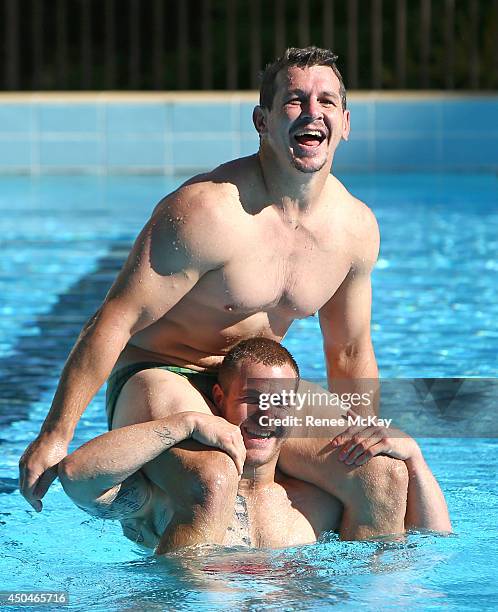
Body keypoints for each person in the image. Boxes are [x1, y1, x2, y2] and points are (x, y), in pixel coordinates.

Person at [21, 46, 398, 533]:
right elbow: (116, 318)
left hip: (251, 381)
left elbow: (348, 348)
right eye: (295, 101)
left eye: (326, 102)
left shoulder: (354, 229)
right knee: (213, 479)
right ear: (261, 120)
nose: (312, 113)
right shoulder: (207, 212)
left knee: (381, 475)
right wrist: (56, 432)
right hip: (162, 372)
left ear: (345, 123)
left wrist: (362, 429)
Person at [58, 339, 451, 552]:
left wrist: (415, 459)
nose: (266, 415)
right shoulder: (172, 496)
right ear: (219, 400)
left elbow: (430, 547)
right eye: (252, 400)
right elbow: (77, 477)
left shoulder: (318, 504)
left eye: (279, 402)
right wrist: (183, 425)